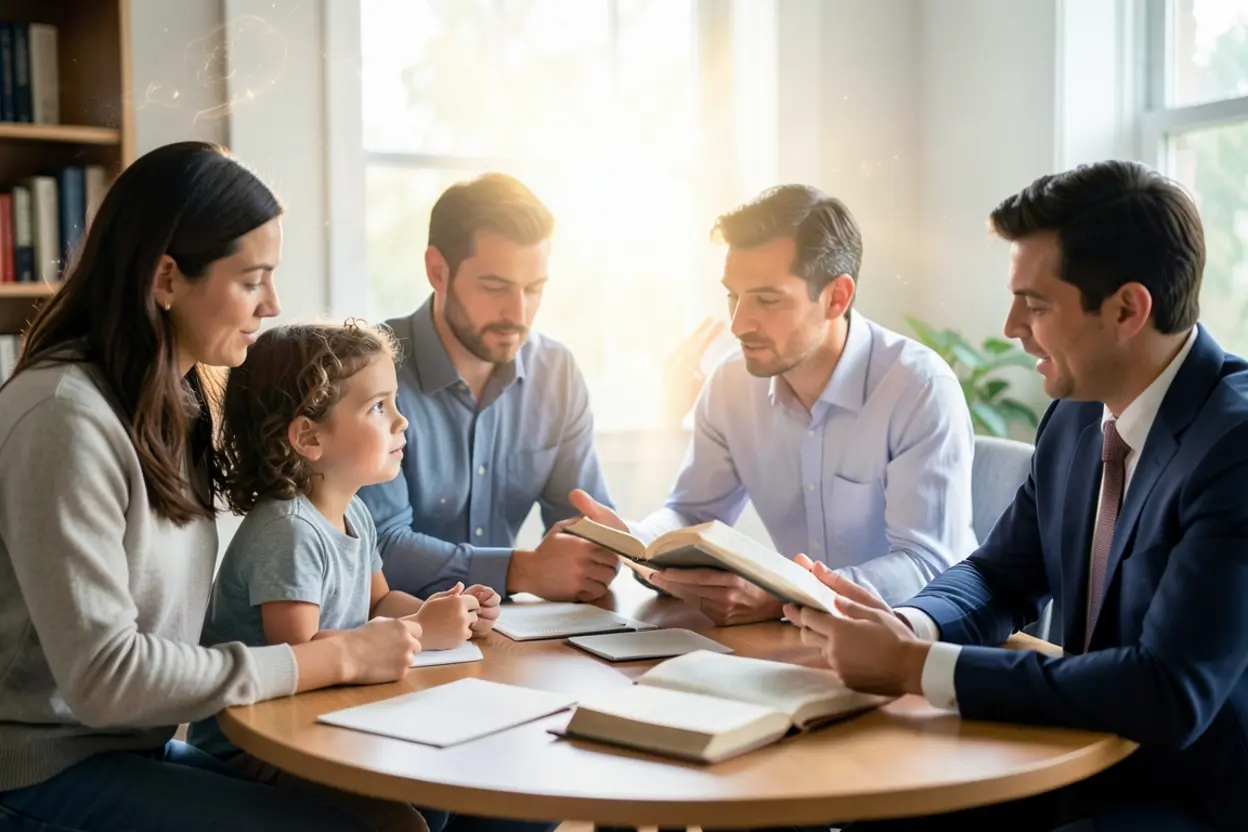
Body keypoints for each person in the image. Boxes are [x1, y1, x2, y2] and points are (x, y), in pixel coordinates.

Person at [788, 160, 1248, 831]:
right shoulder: (1075, 417)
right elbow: (1000, 575)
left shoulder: (1233, 447)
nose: (1010, 326)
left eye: (1035, 304)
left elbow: (1168, 692)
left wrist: (917, 667)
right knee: (866, 807)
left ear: (1127, 309)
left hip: (1190, 795)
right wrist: (908, 627)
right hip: (1075, 754)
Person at [0, 142, 424, 832]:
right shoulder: (65, 418)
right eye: (252, 279)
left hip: (127, 747)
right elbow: (106, 677)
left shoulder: (179, 403)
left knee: (397, 820)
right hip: (43, 771)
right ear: (166, 278)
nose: (273, 303)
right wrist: (331, 655)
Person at [571, 184, 977, 625]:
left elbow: (929, 565)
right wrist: (637, 540)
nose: (739, 323)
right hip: (797, 640)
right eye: (733, 296)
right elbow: (692, 513)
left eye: (767, 300)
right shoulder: (731, 384)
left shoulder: (918, 387)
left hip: (906, 644)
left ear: (836, 297)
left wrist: (788, 596)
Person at [188, 322, 502, 831]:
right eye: (378, 407)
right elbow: (301, 658)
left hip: (327, 720)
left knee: (439, 798)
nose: (402, 421)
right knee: (405, 824)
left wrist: (441, 612)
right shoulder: (287, 533)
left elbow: (379, 603)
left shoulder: (354, 512)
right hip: (260, 751)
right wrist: (424, 634)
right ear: (309, 436)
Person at [359, 173, 618, 602]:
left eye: (534, 289)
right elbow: (377, 548)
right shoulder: (367, 373)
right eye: (495, 287)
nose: (517, 313)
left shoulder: (556, 373)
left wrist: (600, 550)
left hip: (509, 632)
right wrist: (523, 569)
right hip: (398, 636)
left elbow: (588, 526)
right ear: (437, 271)